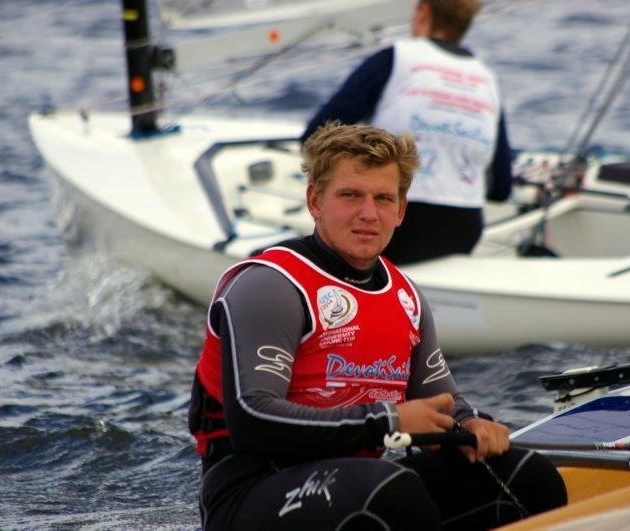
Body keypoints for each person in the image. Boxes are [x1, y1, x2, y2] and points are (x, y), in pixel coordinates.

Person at [188, 123, 565, 530]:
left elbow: (443, 402)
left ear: (400, 211)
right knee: (392, 494)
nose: (368, 214)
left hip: (354, 482)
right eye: (350, 195)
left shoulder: (405, 297)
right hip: (250, 491)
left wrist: (473, 422)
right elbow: (253, 421)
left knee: (528, 476)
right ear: (315, 201)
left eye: (383, 198)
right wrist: (389, 422)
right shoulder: (270, 286)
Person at [300, 0, 513, 265]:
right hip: (463, 229)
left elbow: (315, 136)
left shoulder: (399, 57)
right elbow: (501, 188)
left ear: (423, 10)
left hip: (401, 229)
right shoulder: (486, 78)